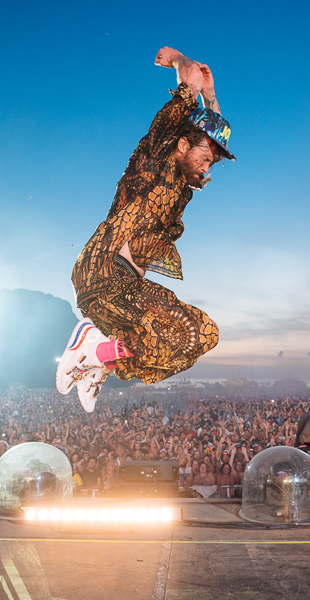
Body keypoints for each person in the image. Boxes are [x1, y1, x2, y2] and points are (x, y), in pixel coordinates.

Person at [56, 46, 236, 412]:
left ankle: (98, 359)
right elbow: (183, 97)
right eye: (204, 159)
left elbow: (210, 129)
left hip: (124, 291)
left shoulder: (182, 184)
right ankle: (92, 345)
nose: (207, 169)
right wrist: (181, 63)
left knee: (201, 337)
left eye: (211, 163)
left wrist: (212, 96)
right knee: (189, 333)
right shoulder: (156, 157)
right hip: (104, 275)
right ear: (182, 145)